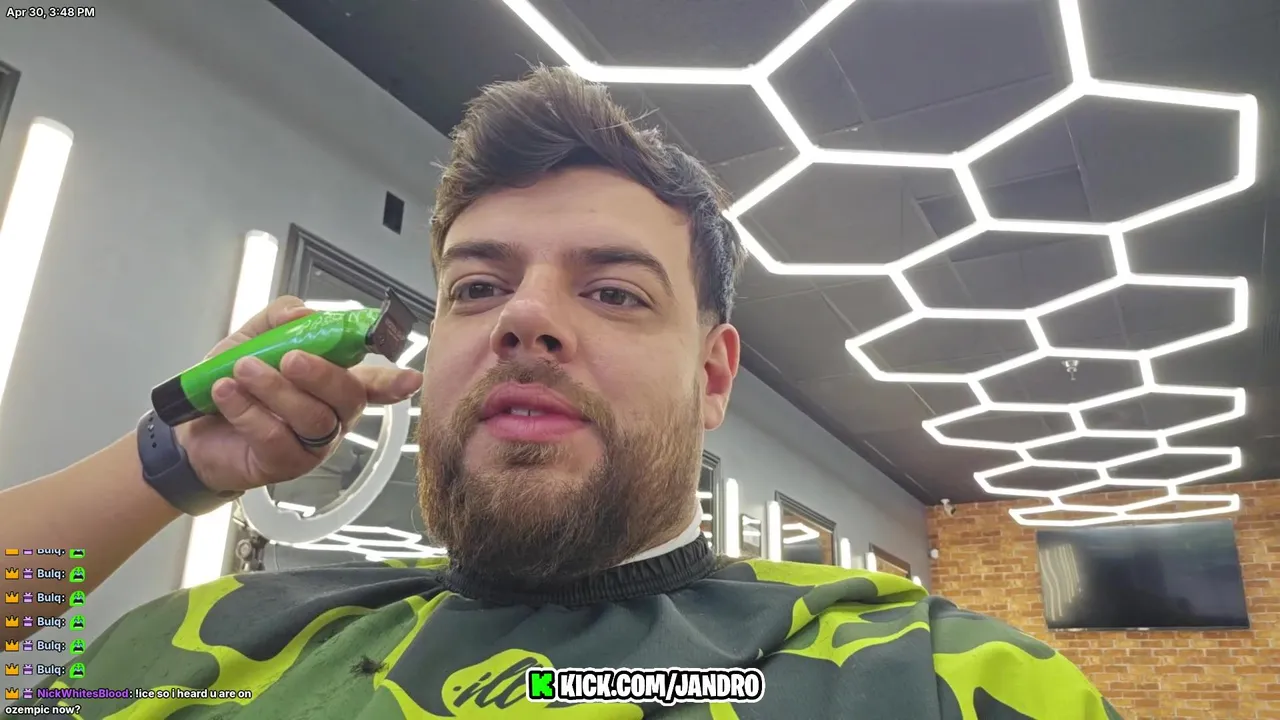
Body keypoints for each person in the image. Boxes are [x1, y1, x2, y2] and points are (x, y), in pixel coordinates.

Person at [1, 66, 1122, 719]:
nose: (524, 319)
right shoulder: (216, 647)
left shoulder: (929, 676)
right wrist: (170, 464)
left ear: (712, 373)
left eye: (614, 293)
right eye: (478, 286)